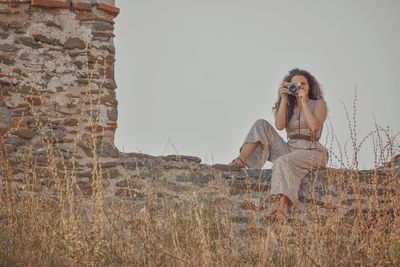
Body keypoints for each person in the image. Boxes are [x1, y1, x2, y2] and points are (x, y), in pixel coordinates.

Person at [229, 68, 329, 221]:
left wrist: (303, 103)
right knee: (261, 124)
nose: (300, 86)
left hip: (312, 150)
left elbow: (315, 127)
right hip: (291, 148)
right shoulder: (289, 106)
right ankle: (240, 161)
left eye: (303, 84)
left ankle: (281, 210)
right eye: (295, 84)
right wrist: (283, 98)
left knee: (283, 162)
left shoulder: (319, 104)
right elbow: (280, 126)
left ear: (309, 86)